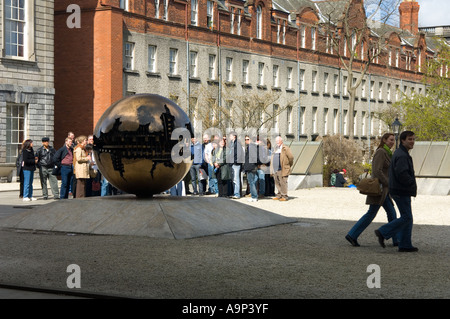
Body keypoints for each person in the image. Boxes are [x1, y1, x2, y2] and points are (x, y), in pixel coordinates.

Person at [345, 133, 398, 247]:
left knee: (391, 214)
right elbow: (377, 170)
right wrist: (388, 182)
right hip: (379, 189)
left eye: (393, 140)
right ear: (384, 140)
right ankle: (352, 235)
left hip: (384, 190)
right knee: (372, 214)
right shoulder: (381, 152)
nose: (392, 142)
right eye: (390, 140)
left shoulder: (387, 152)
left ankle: (396, 239)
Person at [375, 131, 418, 252]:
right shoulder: (402, 155)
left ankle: (405, 244)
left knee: (407, 217)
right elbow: (402, 173)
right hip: (401, 190)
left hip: (400, 189)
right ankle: (383, 232)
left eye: (413, 139)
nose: (412, 141)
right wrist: (410, 183)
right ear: (403, 140)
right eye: (409, 139)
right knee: (406, 217)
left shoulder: (401, 153)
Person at [270, 136, 294, 201]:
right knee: (277, 182)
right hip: (275, 168)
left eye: (278, 141)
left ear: (281, 141)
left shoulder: (285, 148)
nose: (277, 142)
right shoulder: (275, 149)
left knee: (283, 182)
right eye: (276, 141)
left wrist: (288, 165)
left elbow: (291, 158)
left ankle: (284, 196)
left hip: (282, 168)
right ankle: (279, 195)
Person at [227, 132, 244, 199]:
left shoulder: (237, 144)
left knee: (236, 179)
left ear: (234, 136)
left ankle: (237, 194)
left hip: (236, 164)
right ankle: (234, 193)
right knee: (233, 179)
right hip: (232, 164)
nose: (229, 137)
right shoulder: (232, 144)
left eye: (230, 136)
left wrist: (235, 162)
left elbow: (239, 154)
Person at [243, 136, 259, 202]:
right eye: (245, 139)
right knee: (252, 182)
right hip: (252, 166)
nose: (246, 141)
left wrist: (250, 165)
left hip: (251, 166)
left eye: (247, 139)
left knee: (251, 182)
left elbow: (254, 157)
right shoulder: (252, 146)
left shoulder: (252, 147)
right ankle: (254, 195)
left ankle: (254, 196)